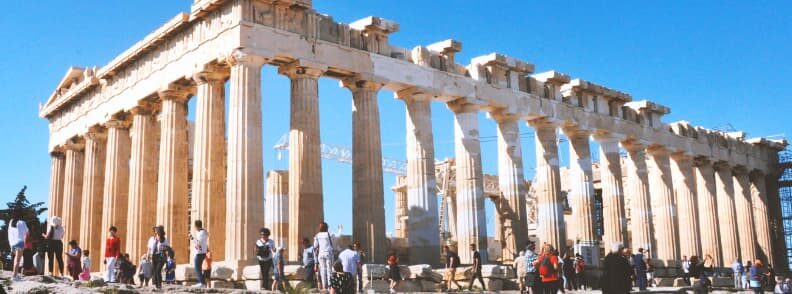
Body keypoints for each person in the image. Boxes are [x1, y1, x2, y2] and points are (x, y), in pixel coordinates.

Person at [313, 222, 334, 291]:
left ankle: (324, 286)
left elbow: (315, 247)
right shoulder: (328, 234)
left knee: (322, 270)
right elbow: (332, 244)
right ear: (326, 227)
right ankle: (329, 286)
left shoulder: (317, 235)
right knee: (329, 270)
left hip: (320, 254)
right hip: (328, 253)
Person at [7, 215, 28, 281]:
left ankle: (15, 274)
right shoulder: (22, 222)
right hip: (20, 242)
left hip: (12, 243)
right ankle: (14, 276)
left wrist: (11, 246)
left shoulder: (11, 221)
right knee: (18, 260)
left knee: (16, 259)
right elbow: (26, 233)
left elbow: (9, 232)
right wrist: (25, 244)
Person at [190, 220, 209, 288]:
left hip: (200, 253)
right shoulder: (202, 232)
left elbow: (198, 243)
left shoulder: (202, 233)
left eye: (194, 226)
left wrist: (192, 238)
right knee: (199, 268)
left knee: (197, 268)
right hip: (201, 252)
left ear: (196, 226)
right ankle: (201, 282)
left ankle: (202, 283)